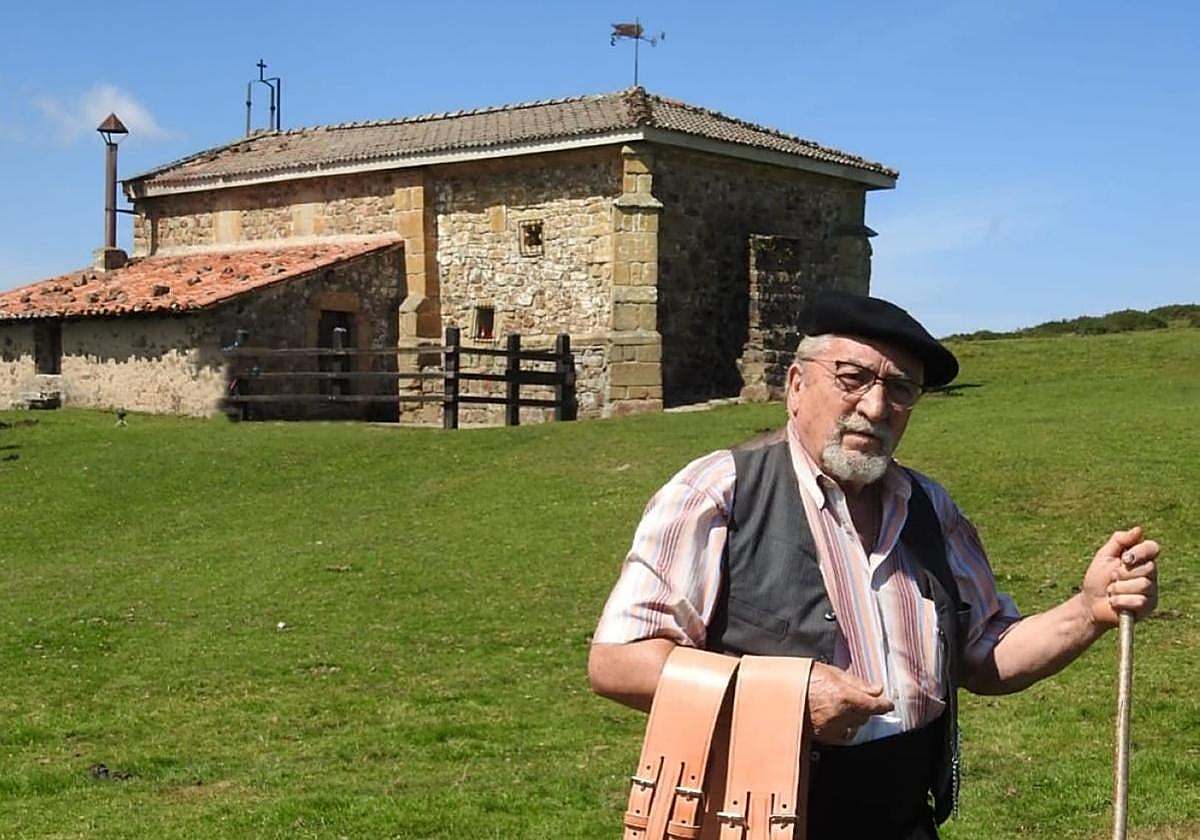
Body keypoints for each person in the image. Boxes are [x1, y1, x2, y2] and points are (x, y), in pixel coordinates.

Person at [588, 291, 1159, 839]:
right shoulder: (719, 490)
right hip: (755, 820)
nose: (876, 406)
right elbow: (619, 661)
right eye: (852, 377)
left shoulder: (930, 507)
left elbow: (982, 655)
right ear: (796, 385)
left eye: (901, 389)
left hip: (904, 818)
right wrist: (785, 698)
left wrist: (1089, 610)